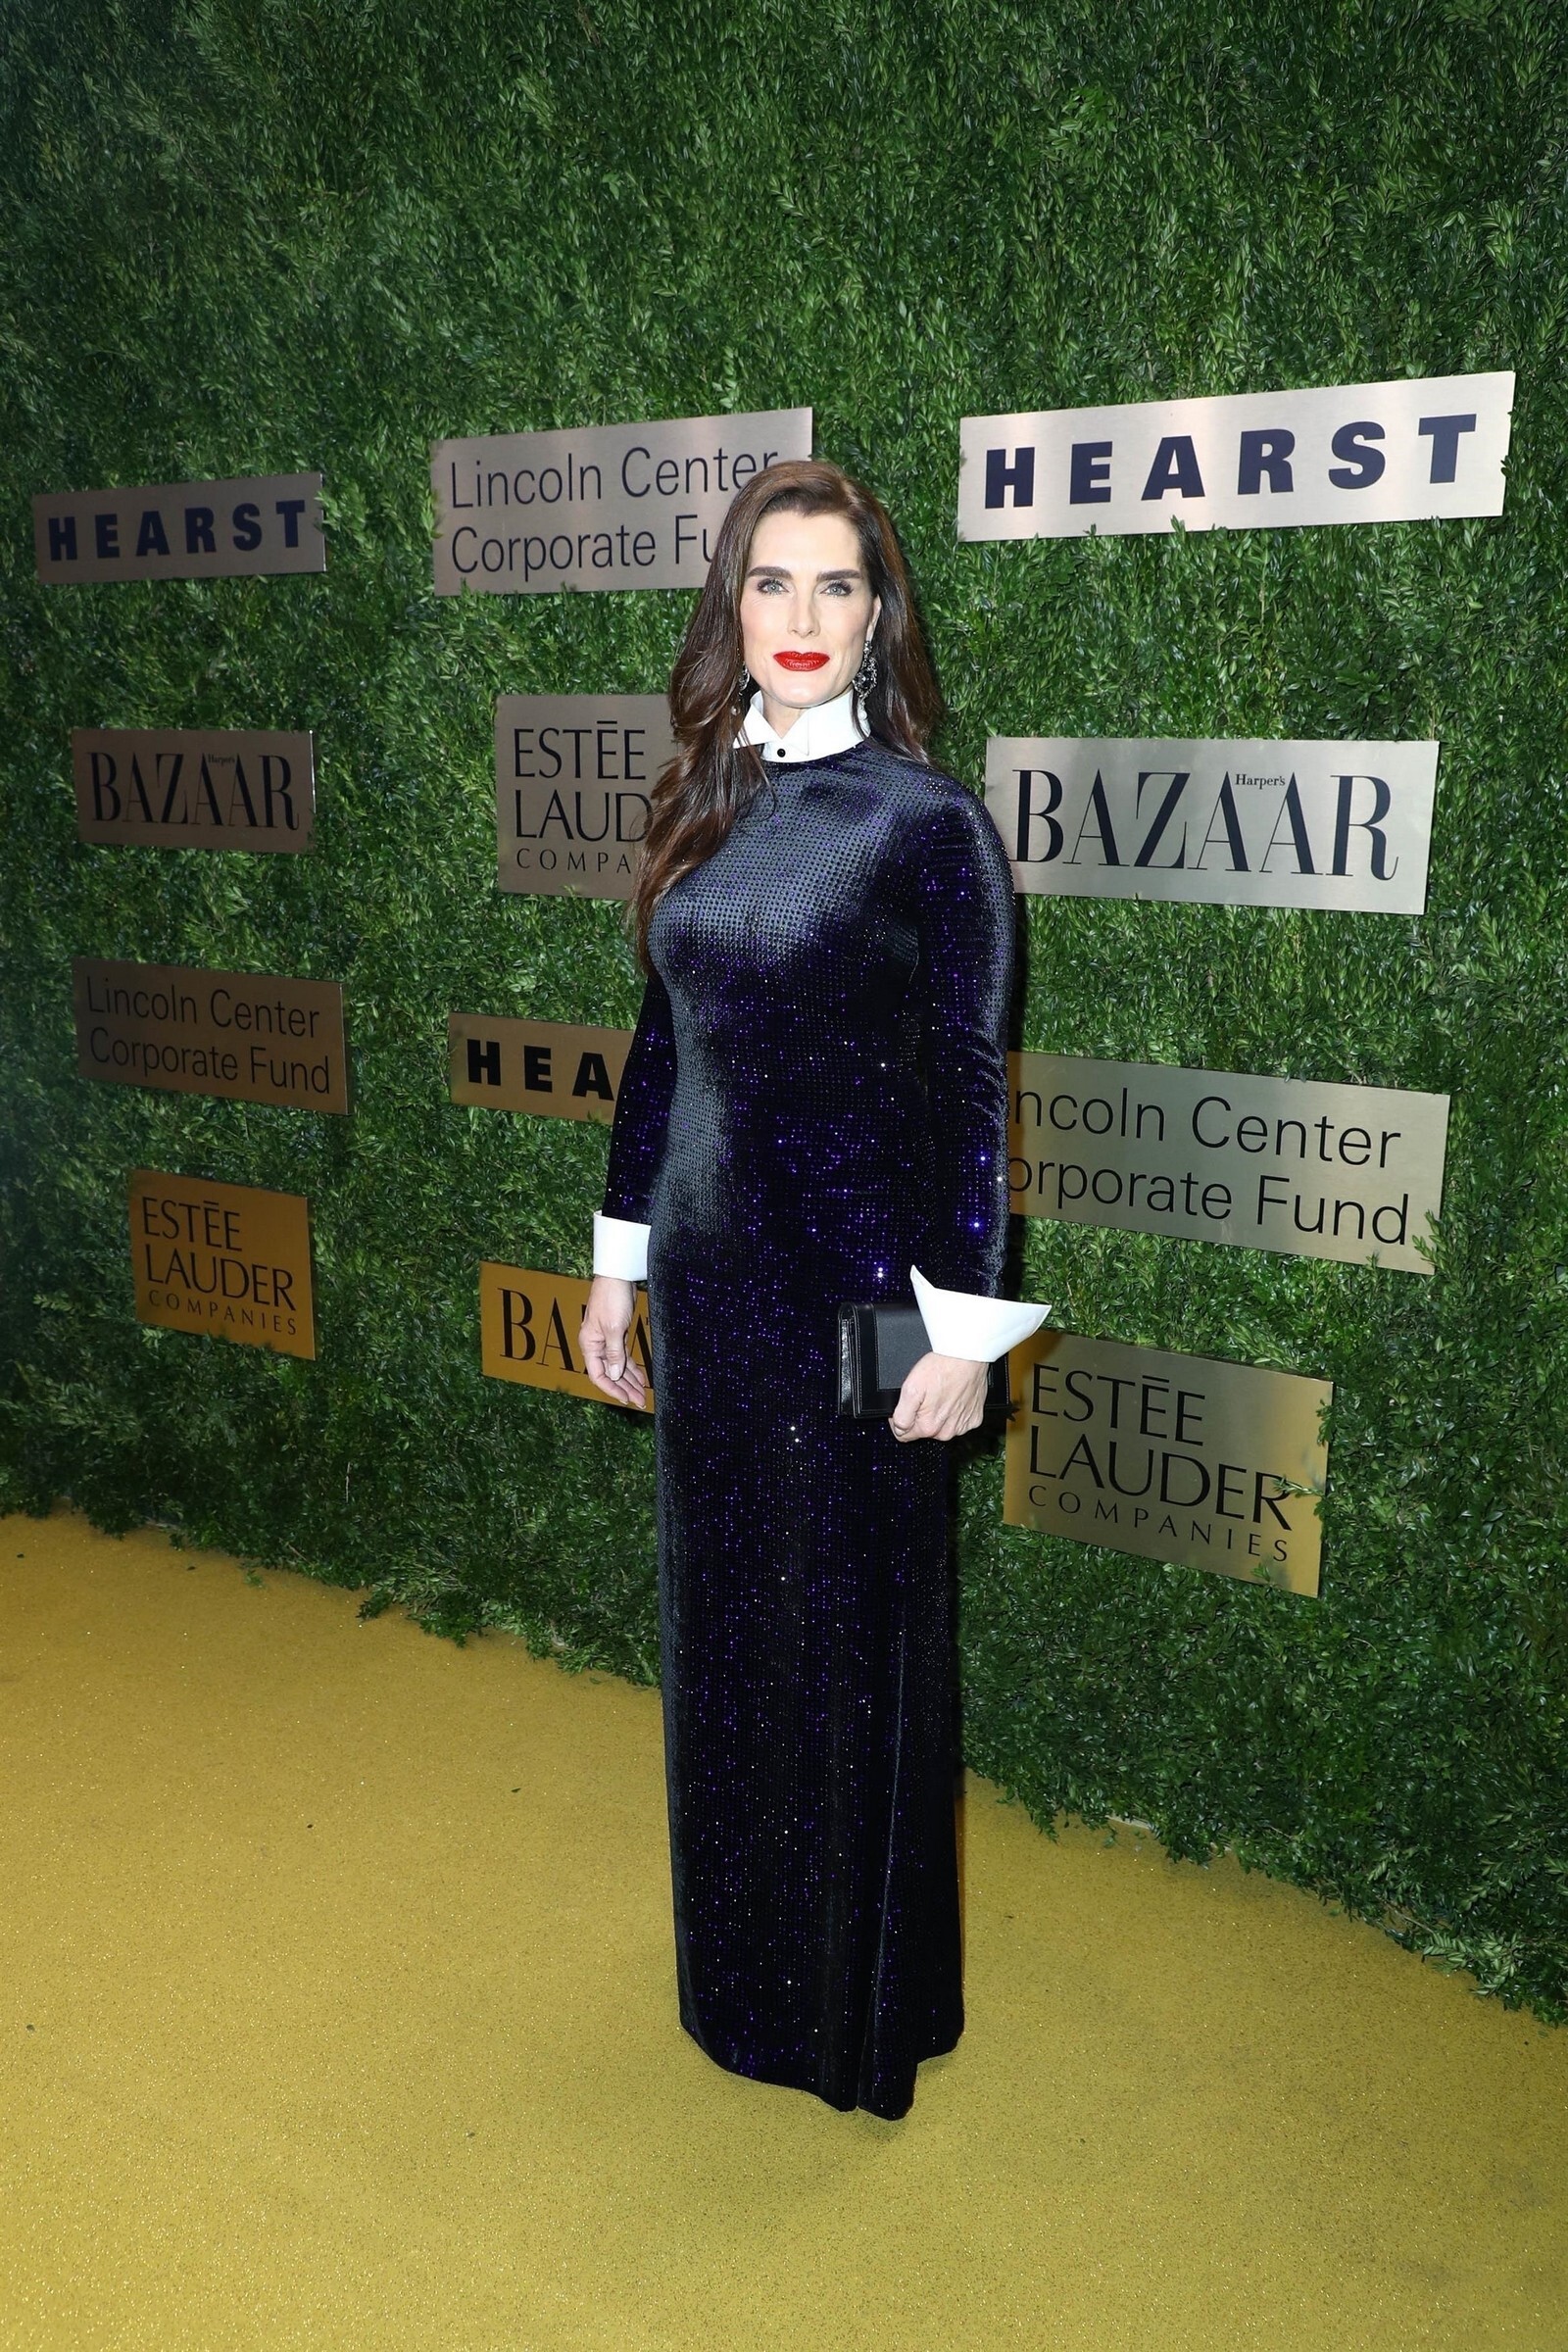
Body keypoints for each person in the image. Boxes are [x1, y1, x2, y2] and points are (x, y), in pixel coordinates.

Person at [580, 458, 1045, 2119]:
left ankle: (854, 2015)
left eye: (835, 584)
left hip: (858, 1303)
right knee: (726, 1646)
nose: (800, 615)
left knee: (849, 1653)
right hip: (715, 1296)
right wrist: (618, 1267)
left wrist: (966, 1329)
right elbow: (662, 1053)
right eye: (769, 582)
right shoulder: (705, 801)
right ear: (732, 608)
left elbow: (973, 1084)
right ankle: (746, 1990)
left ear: (877, 615)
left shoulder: (928, 825)